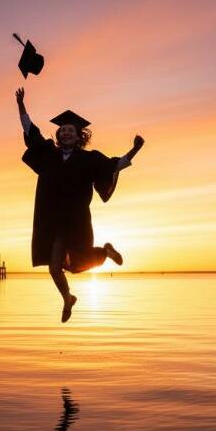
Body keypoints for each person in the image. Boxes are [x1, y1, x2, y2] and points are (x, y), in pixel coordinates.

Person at [16, 87, 144, 322]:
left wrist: (135, 149)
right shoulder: (48, 155)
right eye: (62, 130)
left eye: (70, 130)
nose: (65, 133)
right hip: (52, 223)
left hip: (75, 223)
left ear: (79, 135)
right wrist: (21, 105)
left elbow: (113, 166)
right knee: (55, 268)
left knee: (76, 263)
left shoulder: (89, 159)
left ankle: (105, 251)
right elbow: (31, 132)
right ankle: (68, 299)